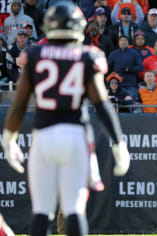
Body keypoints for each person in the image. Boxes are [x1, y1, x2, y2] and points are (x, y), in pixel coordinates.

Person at [1, 3, 130, 236]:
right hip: (75, 136)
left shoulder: (34, 54)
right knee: (74, 210)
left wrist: (9, 137)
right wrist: (119, 143)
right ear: (78, 27)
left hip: (44, 136)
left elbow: (19, 103)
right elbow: (101, 104)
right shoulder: (87, 55)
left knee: (41, 211)